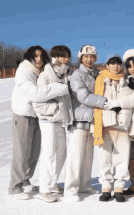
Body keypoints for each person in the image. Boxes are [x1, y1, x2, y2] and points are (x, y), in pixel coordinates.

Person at [9, 45, 69, 200]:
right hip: (23, 113)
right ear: (29, 57)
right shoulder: (24, 71)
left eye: (41, 56)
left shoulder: (42, 71)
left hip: (37, 115)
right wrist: (59, 88)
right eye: (35, 56)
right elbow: (35, 94)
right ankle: (15, 186)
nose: (39, 59)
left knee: (34, 152)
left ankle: (25, 180)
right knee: (22, 151)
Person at [105, 49, 134, 201]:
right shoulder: (130, 80)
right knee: (131, 157)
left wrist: (116, 103)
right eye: (129, 65)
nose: (133, 68)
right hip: (130, 124)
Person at [94, 54, 134, 202]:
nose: (115, 66)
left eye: (118, 64)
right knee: (105, 159)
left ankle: (119, 187)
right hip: (105, 126)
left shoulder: (127, 83)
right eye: (112, 63)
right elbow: (96, 104)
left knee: (122, 159)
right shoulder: (100, 81)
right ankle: (106, 187)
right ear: (107, 66)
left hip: (122, 127)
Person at [64, 45, 107, 202]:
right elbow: (83, 96)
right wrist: (105, 102)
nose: (89, 59)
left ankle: (84, 184)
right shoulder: (77, 74)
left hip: (93, 120)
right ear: (81, 58)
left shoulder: (95, 74)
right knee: (75, 156)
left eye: (92, 56)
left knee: (88, 156)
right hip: (79, 119)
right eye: (86, 56)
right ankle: (70, 189)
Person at [33, 45, 73, 202]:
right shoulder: (46, 75)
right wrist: (55, 111)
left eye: (67, 56)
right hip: (48, 119)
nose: (66, 59)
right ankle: (44, 189)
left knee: (61, 152)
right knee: (49, 153)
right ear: (55, 57)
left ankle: (53, 183)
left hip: (60, 120)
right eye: (63, 56)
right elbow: (38, 100)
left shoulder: (64, 74)